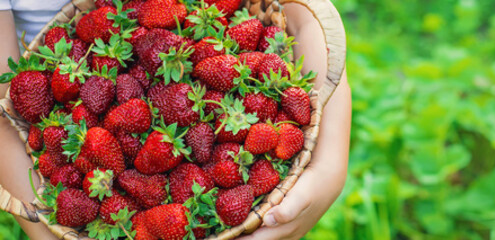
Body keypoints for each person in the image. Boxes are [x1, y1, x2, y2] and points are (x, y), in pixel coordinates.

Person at [0, 1, 351, 239]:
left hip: (193, 51)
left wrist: (328, 168)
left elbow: (306, 15)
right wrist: (45, 228)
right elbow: (3, 110)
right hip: (71, 86)